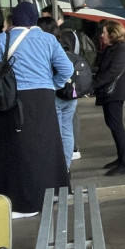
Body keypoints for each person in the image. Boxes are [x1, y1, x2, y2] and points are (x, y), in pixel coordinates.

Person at [0, 2, 73, 218]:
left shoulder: (2, 39)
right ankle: (50, 195)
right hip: (43, 100)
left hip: (12, 100)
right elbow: (67, 68)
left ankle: (22, 204)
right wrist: (53, 85)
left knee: (15, 150)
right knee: (44, 148)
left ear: (13, 20)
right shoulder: (48, 40)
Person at [94, 20, 125, 176]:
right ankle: (121, 159)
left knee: (116, 125)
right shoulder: (113, 47)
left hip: (116, 92)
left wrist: (92, 85)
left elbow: (113, 72)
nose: (102, 35)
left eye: (104, 32)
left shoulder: (122, 49)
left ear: (113, 33)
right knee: (113, 124)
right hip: (112, 92)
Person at [37, 16, 78, 171]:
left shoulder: (47, 45)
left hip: (56, 95)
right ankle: (65, 167)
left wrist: (54, 85)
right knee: (67, 131)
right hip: (70, 93)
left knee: (57, 132)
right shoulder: (64, 41)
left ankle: (57, 168)